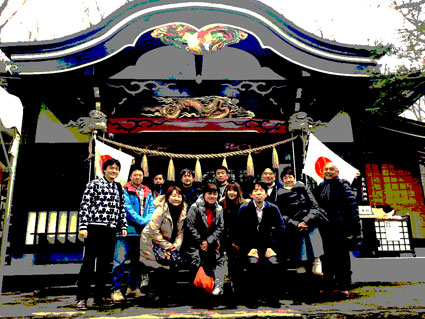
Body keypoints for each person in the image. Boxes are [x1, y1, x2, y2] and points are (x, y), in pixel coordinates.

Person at [76, 158, 127, 310]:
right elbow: (85, 205)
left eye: (116, 169)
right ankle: (82, 298)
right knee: (89, 263)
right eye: (111, 168)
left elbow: (121, 208)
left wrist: (123, 225)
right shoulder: (94, 184)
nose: (114, 171)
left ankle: (99, 296)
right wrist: (83, 226)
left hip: (110, 229)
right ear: (104, 170)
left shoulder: (118, 187)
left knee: (105, 265)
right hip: (94, 228)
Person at [313, 163, 362, 299]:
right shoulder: (321, 187)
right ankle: (329, 285)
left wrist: (354, 229)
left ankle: (343, 286)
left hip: (341, 228)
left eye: (331, 169)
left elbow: (352, 208)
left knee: (342, 258)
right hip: (325, 229)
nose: (328, 171)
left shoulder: (343, 185)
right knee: (327, 257)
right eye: (326, 169)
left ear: (337, 172)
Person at [277, 167, 325, 302]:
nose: (288, 179)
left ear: (294, 177)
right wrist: (295, 224)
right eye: (285, 177)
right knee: (300, 261)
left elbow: (315, 207)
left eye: (290, 176)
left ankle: (317, 292)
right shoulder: (280, 194)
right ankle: (302, 293)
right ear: (282, 180)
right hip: (294, 231)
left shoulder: (304, 188)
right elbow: (282, 214)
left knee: (315, 260)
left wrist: (305, 221)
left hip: (311, 228)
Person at [235, 180, 286, 308]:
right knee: (253, 263)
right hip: (250, 247)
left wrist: (272, 247)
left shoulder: (273, 208)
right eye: (255, 191)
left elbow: (281, 230)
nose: (258, 193)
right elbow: (239, 232)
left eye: (261, 190)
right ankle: (251, 298)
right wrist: (248, 248)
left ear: (266, 194)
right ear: (251, 194)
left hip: (269, 246)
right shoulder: (244, 208)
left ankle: (272, 298)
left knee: (273, 263)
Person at [110, 168, 155, 303]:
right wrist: (142, 221)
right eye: (135, 175)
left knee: (137, 261)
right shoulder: (124, 190)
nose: (138, 177)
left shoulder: (147, 191)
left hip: (141, 232)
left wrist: (147, 219)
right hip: (126, 230)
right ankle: (116, 290)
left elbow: (152, 208)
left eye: (140, 175)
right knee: (119, 261)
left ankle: (132, 287)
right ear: (130, 176)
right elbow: (127, 209)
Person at [140, 185, 187, 305]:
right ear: (168, 197)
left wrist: (176, 244)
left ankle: (167, 296)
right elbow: (153, 231)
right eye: (174, 195)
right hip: (152, 242)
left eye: (179, 196)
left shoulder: (182, 209)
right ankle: (153, 296)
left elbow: (180, 231)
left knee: (172, 266)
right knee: (159, 268)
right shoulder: (160, 210)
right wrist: (167, 245)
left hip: (169, 243)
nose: (177, 198)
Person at [183, 182, 226, 298]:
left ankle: (218, 286)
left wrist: (209, 241)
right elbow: (190, 226)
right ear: (204, 194)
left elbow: (220, 227)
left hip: (211, 242)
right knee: (196, 260)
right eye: (209, 193)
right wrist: (201, 241)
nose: (212, 196)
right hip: (195, 243)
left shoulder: (219, 208)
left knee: (218, 259)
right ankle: (198, 289)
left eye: (215, 193)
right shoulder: (195, 207)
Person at [219, 181, 245, 301]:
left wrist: (238, 243)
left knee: (237, 265)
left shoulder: (244, 205)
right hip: (225, 241)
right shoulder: (220, 205)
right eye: (229, 190)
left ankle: (239, 293)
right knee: (226, 266)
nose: (232, 193)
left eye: (234, 190)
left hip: (240, 241)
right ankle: (228, 295)